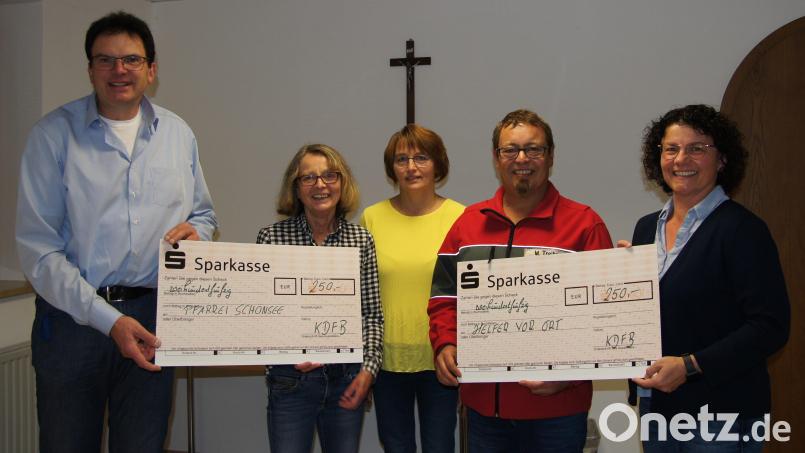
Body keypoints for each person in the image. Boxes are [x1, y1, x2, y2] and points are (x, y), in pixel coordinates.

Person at [14, 11, 217, 453]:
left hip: (153, 319)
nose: (118, 70)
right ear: (90, 69)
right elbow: (39, 252)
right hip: (72, 323)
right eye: (105, 60)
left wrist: (197, 234)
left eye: (131, 59)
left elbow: (203, 213)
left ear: (152, 69)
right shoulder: (52, 137)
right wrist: (110, 321)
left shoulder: (178, 134)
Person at [428, 109, 613, 452]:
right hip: (485, 411)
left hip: (557, 413)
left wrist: (567, 376)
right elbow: (443, 299)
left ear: (551, 156)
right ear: (496, 158)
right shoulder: (466, 225)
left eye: (534, 149)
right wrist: (445, 344)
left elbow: (603, 318)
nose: (522, 159)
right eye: (510, 150)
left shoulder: (586, 225)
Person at [626, 104, 790, 451]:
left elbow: (770, 326)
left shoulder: (743, 230)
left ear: (722, 159)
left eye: (697, 148)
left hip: (722, 414)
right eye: (671, 149)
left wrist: (691, 366)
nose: (681, 159)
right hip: (657, 408)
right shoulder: (645, 229)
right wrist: (617, 288)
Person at [256, 144, 383, 453]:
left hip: (346, 378)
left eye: (330, 175)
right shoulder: (271, 239)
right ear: (296, 189)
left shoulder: (360, 239)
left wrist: (369, 369)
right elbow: (261, 316)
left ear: (342, 183)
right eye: (308, 178)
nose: (321, 185)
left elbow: (371, 314)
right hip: (290, 382)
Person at [360, 125, 464, 453]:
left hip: (442, 360)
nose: (411, 167)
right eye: (401, 159)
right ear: (392, 168)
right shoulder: (372, 218)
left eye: (421, 157)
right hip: (387, 361)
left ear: (438, 165)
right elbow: (361, 294)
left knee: (439, 447)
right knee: (396, 446)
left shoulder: (461, 217)